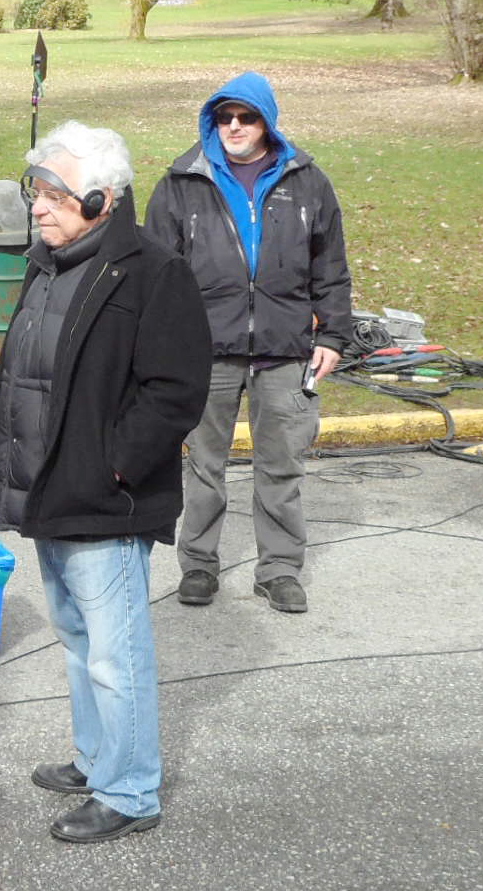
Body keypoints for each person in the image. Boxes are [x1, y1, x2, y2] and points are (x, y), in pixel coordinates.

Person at [0, 121, 211, 844]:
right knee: (76, 638)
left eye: (51, 194)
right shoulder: (46, 263)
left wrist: (110, 466)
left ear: (102, 198)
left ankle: (130, 790)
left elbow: (174, 391)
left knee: (115, 650)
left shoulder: (151, 272)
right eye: (33, 191)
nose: (36, 208)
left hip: (101, 496)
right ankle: (96, 756)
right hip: (46, 490)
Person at [145, 71, 353, 614]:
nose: (235, 126)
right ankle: (198, 565)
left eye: (248, 117)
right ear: (213, 121)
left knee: (282, 464)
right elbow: (155, 275)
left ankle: (280, 569)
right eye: (225, 117)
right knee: (202, 463)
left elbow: (331, 267)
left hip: (285, 348)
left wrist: (332, 332)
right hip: (203, 348)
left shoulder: (308, 181)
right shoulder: (180, 183)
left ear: (268, 122)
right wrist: (160, 344)